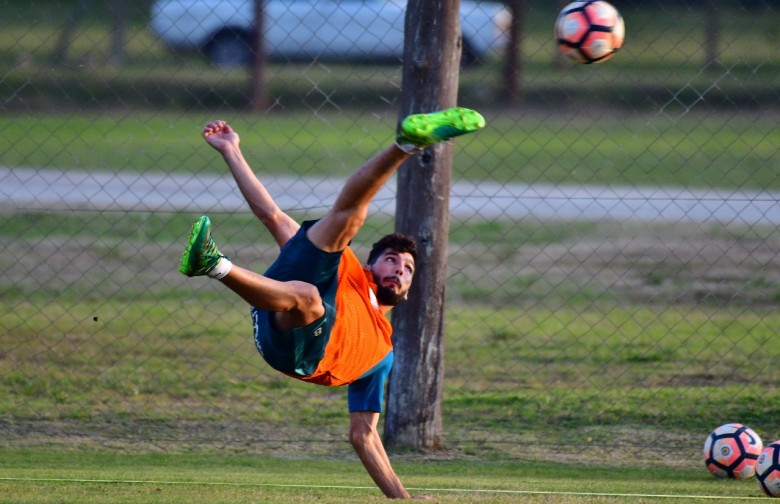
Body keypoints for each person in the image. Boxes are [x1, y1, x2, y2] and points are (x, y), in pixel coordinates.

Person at [178, 107, 485, 498]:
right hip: (287, 305)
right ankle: (407, 143)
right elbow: (271, 215)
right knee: (345, 221)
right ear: (370, 266)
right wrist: (230, 149)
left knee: (307, 297)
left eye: (408, 268)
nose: (399, 269)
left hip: (299, 355)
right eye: (390, 260)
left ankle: (216, 265)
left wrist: (402, 498)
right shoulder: (348, 271)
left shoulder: (381, 352)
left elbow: (363, 435)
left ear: (408, 290)